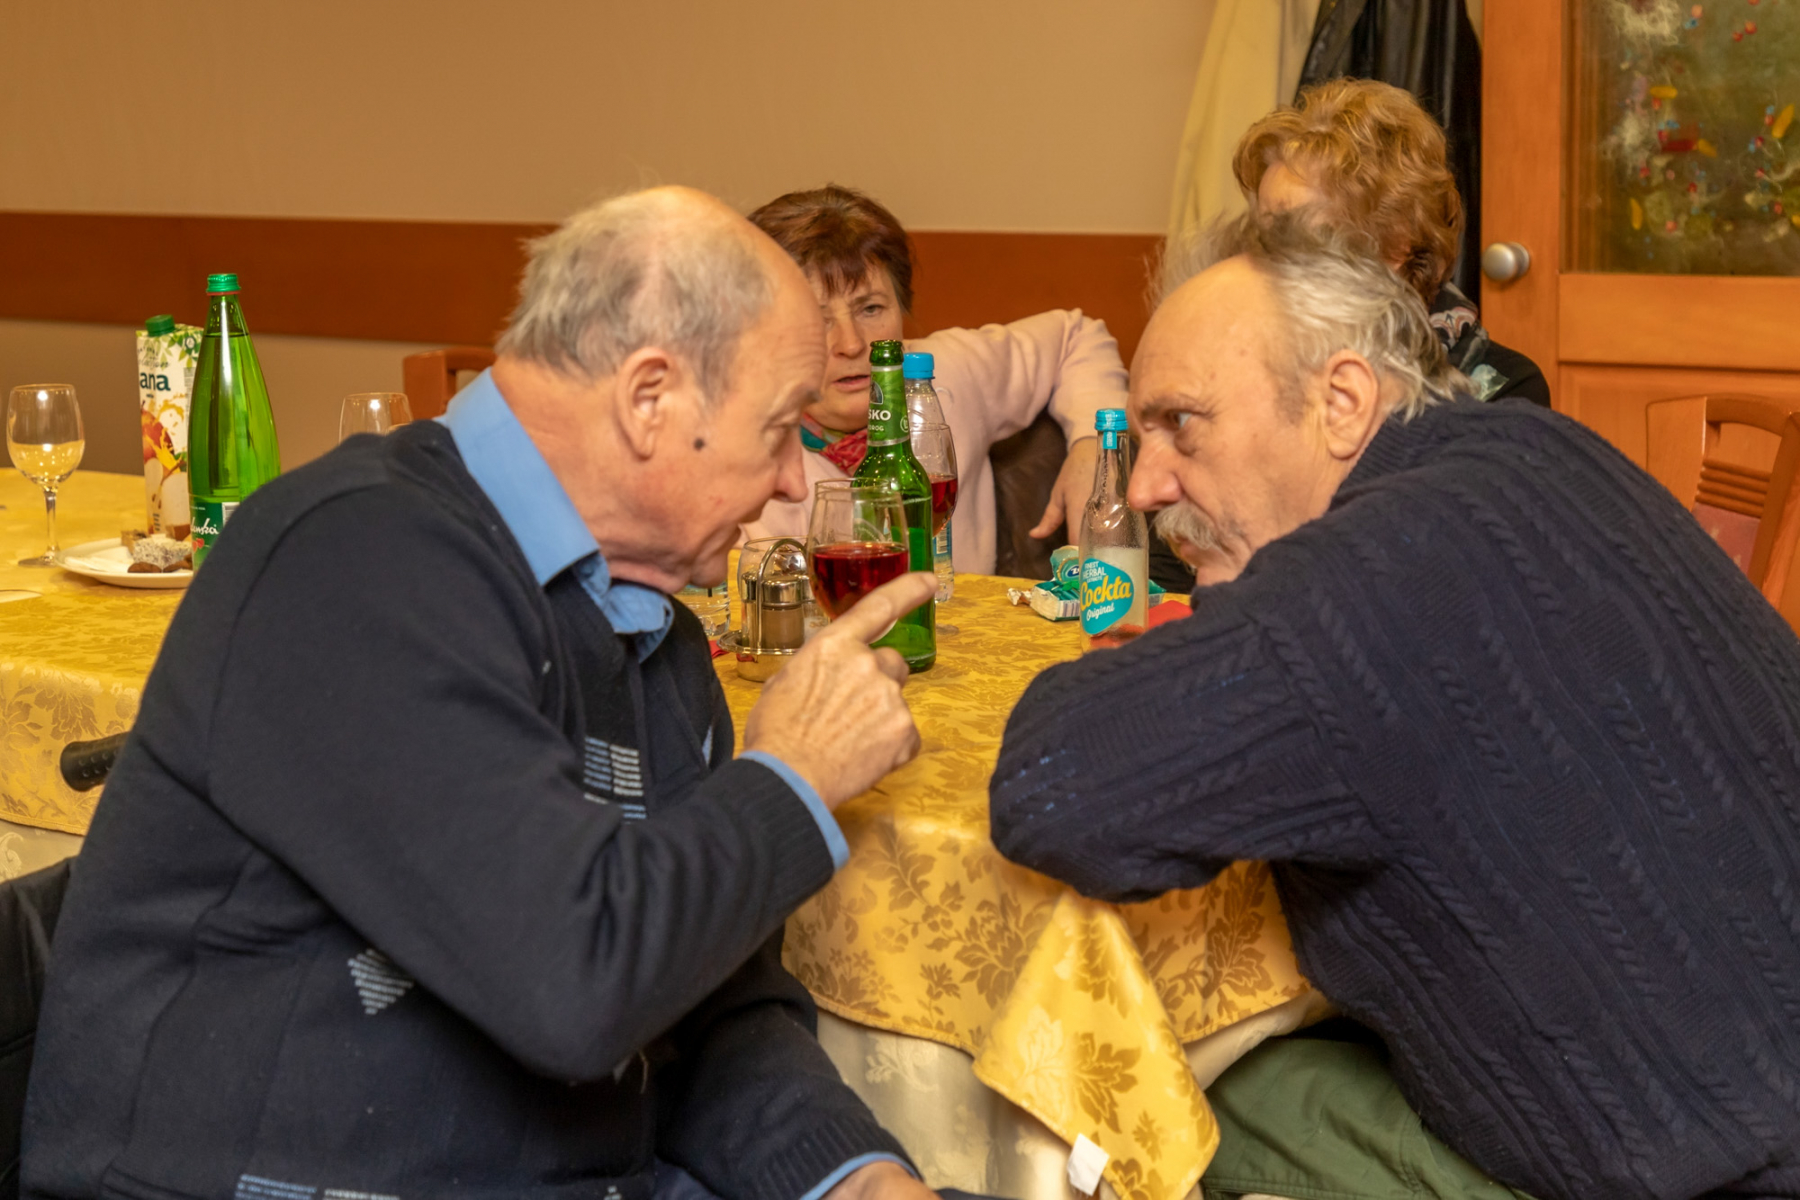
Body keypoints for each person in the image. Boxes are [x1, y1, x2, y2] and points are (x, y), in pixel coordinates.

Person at [23, 188, 964, 1200]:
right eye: (778, 430)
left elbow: (704, 1002)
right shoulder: (358, 562)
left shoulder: (653, 634)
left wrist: (853, 1177)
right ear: (651, 399)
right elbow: (576, 984)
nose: (791, 481)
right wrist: (792, 777)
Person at [989, 214, 1800, 1199]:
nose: (1151, 485)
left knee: (1161, 1081)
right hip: (1753, 1060)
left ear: (1341, 402)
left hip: (1703, 1173)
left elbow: (1049, 788)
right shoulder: (1535, 444)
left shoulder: (1353, 590)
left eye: (1183, 425)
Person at [739, 185, 1129, 574]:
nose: (852, 344)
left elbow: (1075, 338)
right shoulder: (735, 443)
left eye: (871, 308)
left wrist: (1094, 448)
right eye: (815, 319)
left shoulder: (949, 372)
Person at [1236, 78, 1551, 408]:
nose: (1262, 254)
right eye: (1261, 229)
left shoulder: (1500, 391)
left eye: (1293, 234)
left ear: (1397, 245)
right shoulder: (1239, 356)